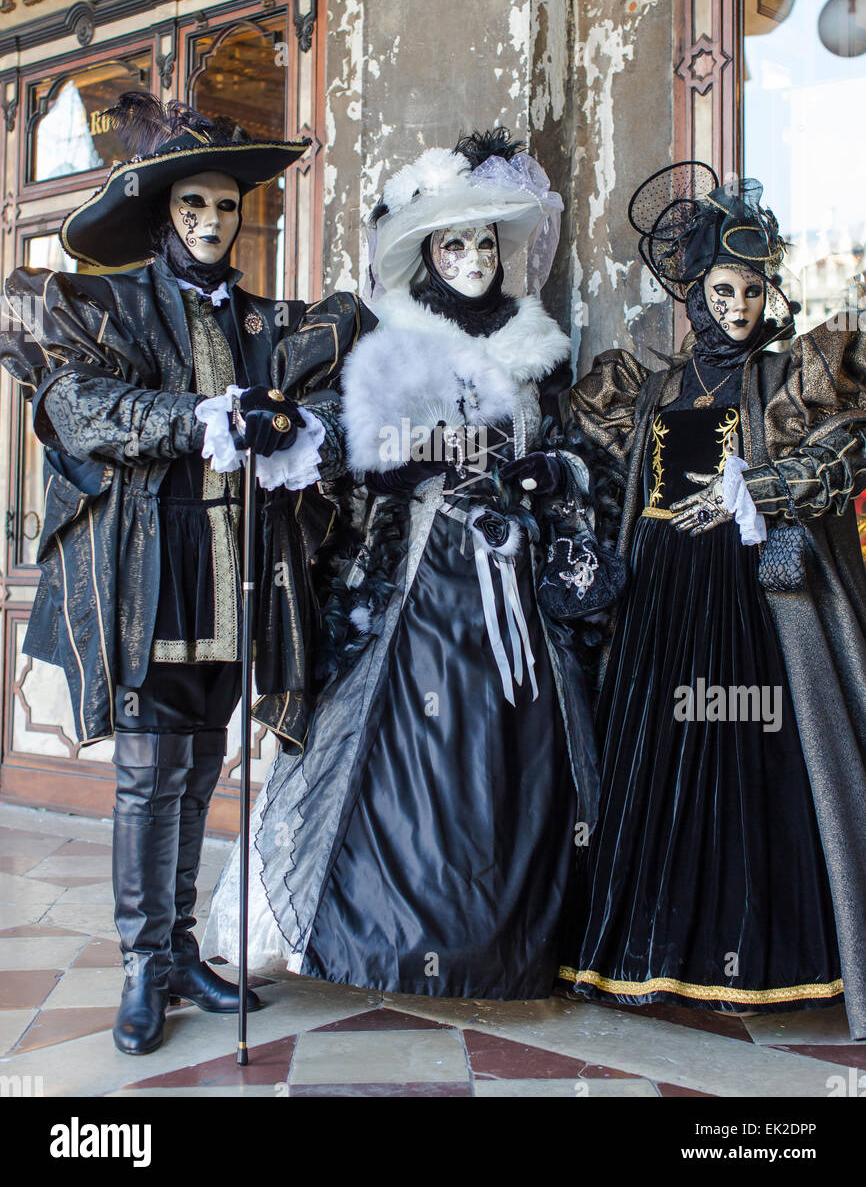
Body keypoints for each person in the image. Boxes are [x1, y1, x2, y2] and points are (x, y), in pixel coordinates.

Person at [0, 92, 372, 1054]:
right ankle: (138, 966)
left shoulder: (259, 321)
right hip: (149, 572)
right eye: (192, 207)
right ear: (165, 214)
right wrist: (193, 420)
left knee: (202, 766)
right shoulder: (115, 304)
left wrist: (287, 426)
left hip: (236, 575)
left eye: (224, 206)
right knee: (146, 774)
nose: (211, 222)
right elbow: (77, 405)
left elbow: (325, 380)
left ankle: (178, 947)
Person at [204, 129, 599, 999]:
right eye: (453, 243)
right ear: (427, 255)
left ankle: (499, 944)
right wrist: (375, 450)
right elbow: (357, 448)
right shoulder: (400, 346)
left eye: (484, 242)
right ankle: (394, 937)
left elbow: (572, 458)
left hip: (512, 581)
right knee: (415, 750)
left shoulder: (539, 353)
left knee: (507, 758)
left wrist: (543, 475)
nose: (471, 258)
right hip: (417, 581)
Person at [563, 163, 866, 1040]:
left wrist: (759, 487)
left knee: (752, 758)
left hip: (749, 600)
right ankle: (654, 954)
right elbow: (605, 474)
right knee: (657, 763)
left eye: (752, 289)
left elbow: (843, 460)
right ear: (693, 296)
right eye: (721, 290)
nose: (737, 306)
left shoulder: (790, 379)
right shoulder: (648, 385)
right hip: (660, 595)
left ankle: (765, 956)